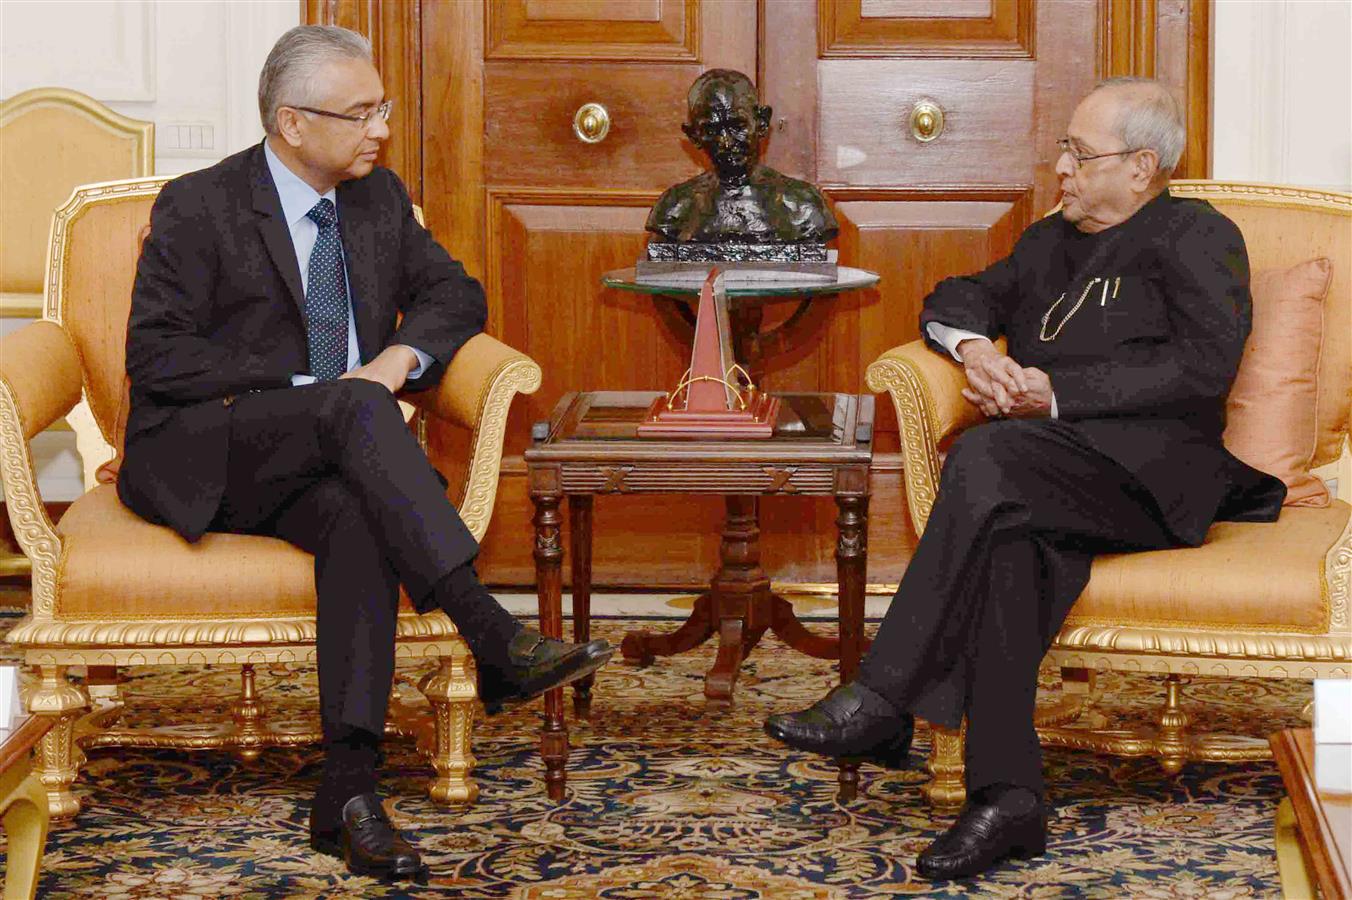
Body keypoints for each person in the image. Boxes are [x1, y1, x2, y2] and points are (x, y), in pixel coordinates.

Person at [118, 25, 614, 882]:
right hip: (214, 448)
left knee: (359, 516)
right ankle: (489, 633)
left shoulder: (378, 199)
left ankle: (347, 791)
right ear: (291, 123)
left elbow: (456, 293)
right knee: (350, 409)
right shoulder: (200, 205)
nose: (380, 128)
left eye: (380, 107)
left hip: (336, 458)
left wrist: (394, 362)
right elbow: (156, 356)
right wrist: (308, 386)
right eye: (359, 113)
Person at [764, 77, 1285, 881]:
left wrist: (1053, 392)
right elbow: (958, 294)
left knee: (986, 456)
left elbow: (1202, 368)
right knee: (1011, 545)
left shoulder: (1196, 236)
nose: (1062, 168)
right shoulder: (1051, 241)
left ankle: (883, 697)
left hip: (1153, 477)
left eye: (1080, 153)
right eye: (1063, 152)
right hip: (1048, 474)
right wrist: (976, 350)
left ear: (1142, 166)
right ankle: (1008, 798)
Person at [647, 69, 837, 245]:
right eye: (711, 130)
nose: (726, 143)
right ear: (694, 135)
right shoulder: (674, 209)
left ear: (761, 123)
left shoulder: (802, 206)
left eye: (737, 127)